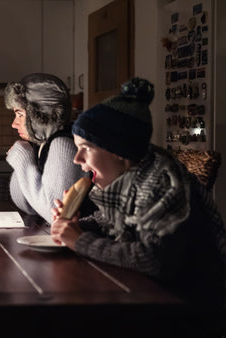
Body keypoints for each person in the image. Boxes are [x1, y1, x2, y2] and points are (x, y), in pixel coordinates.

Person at [50, 77, 226, 335]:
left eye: (86, 148)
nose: (77, 159)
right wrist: (76, 226)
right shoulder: (132, 177)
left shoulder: (159, 185)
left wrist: (81, 242)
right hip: (148, 297)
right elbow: (115, 221)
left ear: (119, 151)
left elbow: (154, 258)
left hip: (186, 312)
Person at [4, 73, 94, 224]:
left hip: (74, 242)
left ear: (40, 114)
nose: (14, 124)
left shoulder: (62, 144)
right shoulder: (42, 144)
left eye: (20, 115)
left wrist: (22, 161)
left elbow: (54, 215)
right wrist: (26, 159)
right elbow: (27, 205)